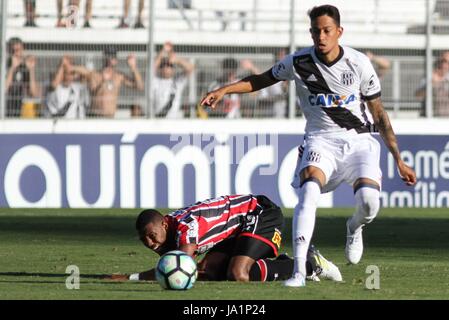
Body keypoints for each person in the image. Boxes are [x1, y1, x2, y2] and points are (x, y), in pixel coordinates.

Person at [199, 4, 417, 287]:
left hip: (360, 142)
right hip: (320, 141)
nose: (321, 36)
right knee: (308, 193)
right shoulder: (298, 61)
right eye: (316, 31)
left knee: (369, 202)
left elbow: (379, 114)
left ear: (339, 31)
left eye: (327, 30)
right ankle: (299, 272)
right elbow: (261, 80)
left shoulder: (359, 63)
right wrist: (223, 90)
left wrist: (398, 159)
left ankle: (355, 226)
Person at [108, 194, 342, 283]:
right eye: (144, 240)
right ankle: (281, 264)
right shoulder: (170, 228)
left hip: (260, 213)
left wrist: (132, 277)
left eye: (152, 235)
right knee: (211, 273)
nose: (150, 243)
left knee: (237, 274)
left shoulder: (184, 227)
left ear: (164, 224)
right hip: (236, 231)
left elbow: (179, 265)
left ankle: (311, 265)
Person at [69, 47, 144, 117]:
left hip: (110, 118)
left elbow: (140, 86)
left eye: (113, 57)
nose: (110, 59)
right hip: (95, 117)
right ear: (104, 58)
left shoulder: (119, 77)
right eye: (108, 56)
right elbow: (80, 70)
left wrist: (133, 67)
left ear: (116, 60)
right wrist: (103, 81)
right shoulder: (95, 75)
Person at [152, 41, 194, 118]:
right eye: (164, 64)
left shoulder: (177, 82)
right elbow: (151, 69)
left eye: (170, 65)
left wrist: (177, 60)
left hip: (173, 123)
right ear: (160, 68)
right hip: (158, 121)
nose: (167, 67)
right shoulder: (155, 81)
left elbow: (190, 68)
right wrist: (163, 51)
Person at [5, 37, 41, 117]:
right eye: (13, 51)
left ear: (23, 49)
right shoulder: (5, 65)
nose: (16, 53)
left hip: (20, 112)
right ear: (9, 51)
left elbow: (33, 93)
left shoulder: (25, 67)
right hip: (4, 111)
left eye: (18, 50)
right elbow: (4, 89)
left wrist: (31, 70)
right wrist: (12, 68)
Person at [415, 51, 449, 117]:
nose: (444, 64)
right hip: (430, 119)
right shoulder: (429, 76)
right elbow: (418, 96)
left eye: (447, 62)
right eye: (443, 61)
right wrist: (432, 83)